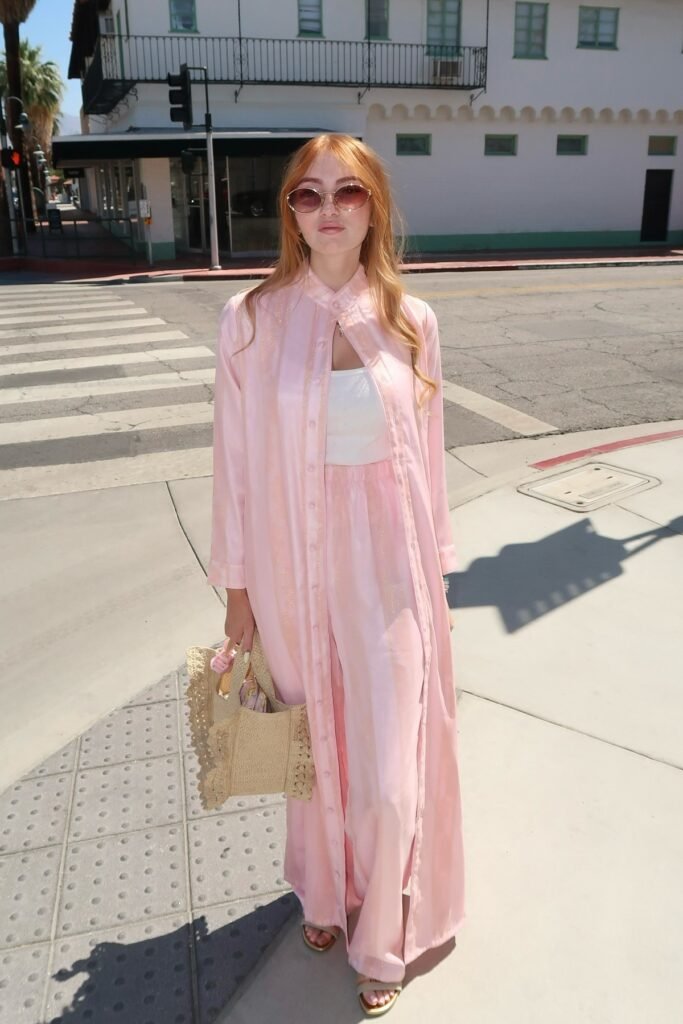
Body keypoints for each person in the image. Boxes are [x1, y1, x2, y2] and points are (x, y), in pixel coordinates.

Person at [207, 133, 465, 1017]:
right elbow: (234, 466)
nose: (325, 210)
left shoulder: (411, 321)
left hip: (390, 566)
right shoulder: (248, 318)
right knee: (309, 754)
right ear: (288, 213)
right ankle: (323, 894)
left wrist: (438, 579)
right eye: (305, 195)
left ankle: (384, 931)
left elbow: (428, 462)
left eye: (346, 193)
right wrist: (239, 593)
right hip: (290, 568)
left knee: (390, 763)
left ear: (373, 206)